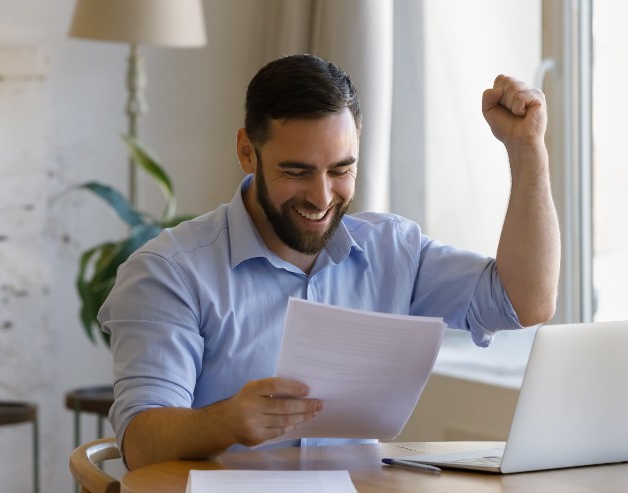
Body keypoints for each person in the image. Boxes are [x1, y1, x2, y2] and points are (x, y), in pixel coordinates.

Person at [99, 54, 560, 470]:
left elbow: (525, 303)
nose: (322, 197)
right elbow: (140, 443)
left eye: (341, 170)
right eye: (296, 171)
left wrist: (527, 152)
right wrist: (225, 422)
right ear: (247, 152)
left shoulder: (392, 250)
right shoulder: (168, 272)